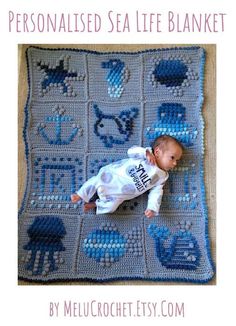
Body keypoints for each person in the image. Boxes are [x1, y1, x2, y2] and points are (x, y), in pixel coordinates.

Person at [71, 135, 183, 218]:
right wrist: (146, 153)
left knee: (111, 207)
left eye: (177, 160)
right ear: (158, 152)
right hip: (113, 176)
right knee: (95, 181)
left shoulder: (162, 176)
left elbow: (156, 193)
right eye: (172, 158)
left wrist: (152, 208)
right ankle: (80, 194)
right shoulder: (146, 155)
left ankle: (94, 204)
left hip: (120, 195)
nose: (175, 164)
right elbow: (131, 151)